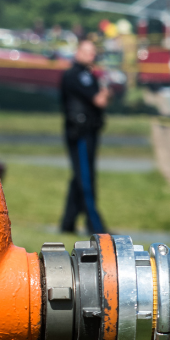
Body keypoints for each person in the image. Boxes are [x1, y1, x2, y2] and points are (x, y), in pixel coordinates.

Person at [60, 37, 108, 234]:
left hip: (90, 131)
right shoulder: (76, 75)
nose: (92, 56)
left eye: (93, 52)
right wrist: (105, 89)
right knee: (85, 179)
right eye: (88, 52)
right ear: (78, 53)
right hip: (79, 133)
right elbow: (99, 100)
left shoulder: (88, 74)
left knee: (79, 177)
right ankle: (95, 225)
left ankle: (68, 222)